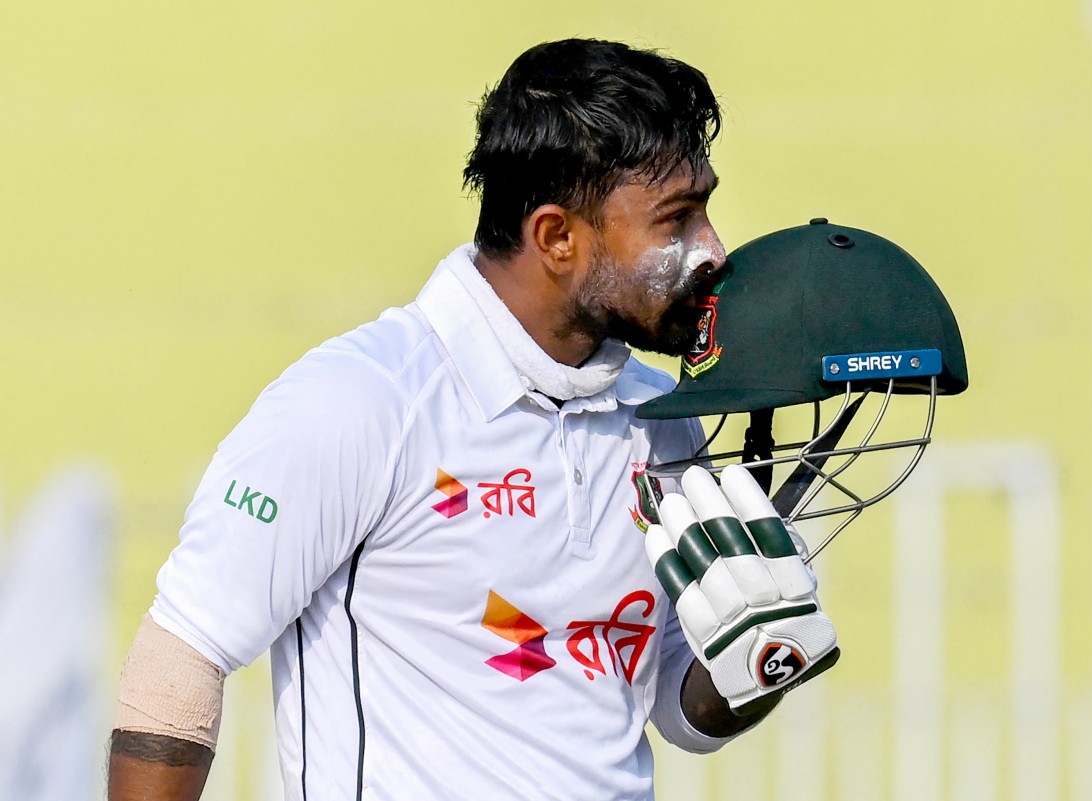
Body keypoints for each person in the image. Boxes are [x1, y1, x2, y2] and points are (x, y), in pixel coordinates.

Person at [107, 38, 836, 801]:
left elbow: (675, 705)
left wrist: (764, 651)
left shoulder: (662, 420)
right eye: (676, 219)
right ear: (556, 237)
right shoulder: (360, 401)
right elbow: (179, 658)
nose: (712, 249)